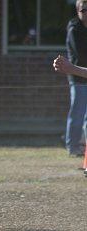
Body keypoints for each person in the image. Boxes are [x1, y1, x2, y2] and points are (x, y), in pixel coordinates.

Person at [64, 0, 87, 157]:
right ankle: (72, 148)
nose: (85, 12)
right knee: (77, 114)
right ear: (77, 11)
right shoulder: (74, 29)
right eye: (82, 9)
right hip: (78, 78)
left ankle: (84, 147)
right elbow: (80, 54)